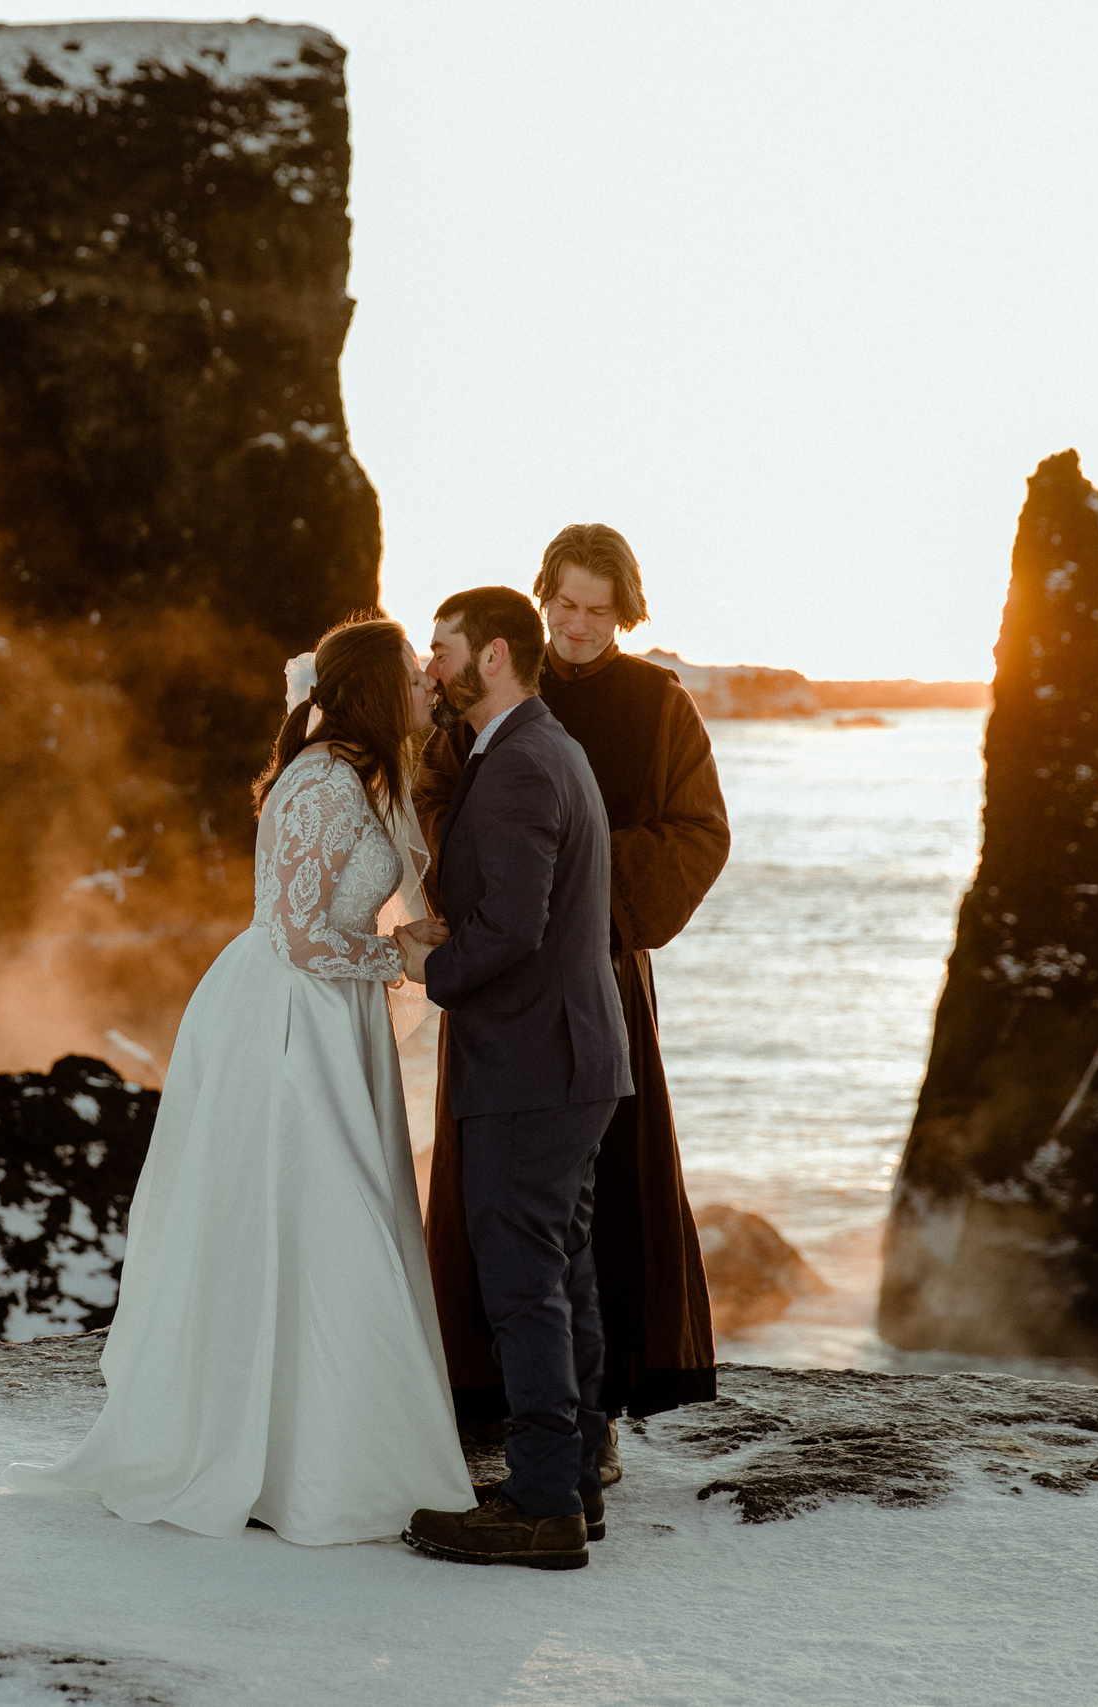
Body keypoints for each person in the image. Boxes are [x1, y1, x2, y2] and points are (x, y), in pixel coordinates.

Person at [9, 616, 473, 1545]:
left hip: (327, 1013)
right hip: (288, 1017)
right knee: (311, 1213)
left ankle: (317, 1446)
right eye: (416, 678)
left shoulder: (360, 775)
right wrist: (395, 959)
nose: (430, 685)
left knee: (323, 1219)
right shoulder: (326, 783)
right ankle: (291, 1459)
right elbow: (299, 934)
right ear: (380, 691)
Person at [413, 526, 731, 1460]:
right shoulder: (493, 687)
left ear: (622, 612)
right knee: (497, 1201)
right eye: (565, 605)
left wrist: (569, 887)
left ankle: (587, 1425)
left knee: (596, 1210)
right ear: (541, 596)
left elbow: (699, 835)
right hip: (498, 976)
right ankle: (503, 1402)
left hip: (598, 978)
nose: (580, 626)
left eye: (599, 610)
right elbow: (433, 795)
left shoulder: (656, 703)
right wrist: (493, 887)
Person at [396, 586, 631, 1572]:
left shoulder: (522, 763)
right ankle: (569, 1482)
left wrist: (428, 965)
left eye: (443, 649)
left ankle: (541, 1508)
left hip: (533, 1065)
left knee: (525, 1282)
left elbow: (516, 927)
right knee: (562, 1273)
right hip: (570, 1059)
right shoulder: (540, 749)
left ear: (493, 655)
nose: (433, 667)